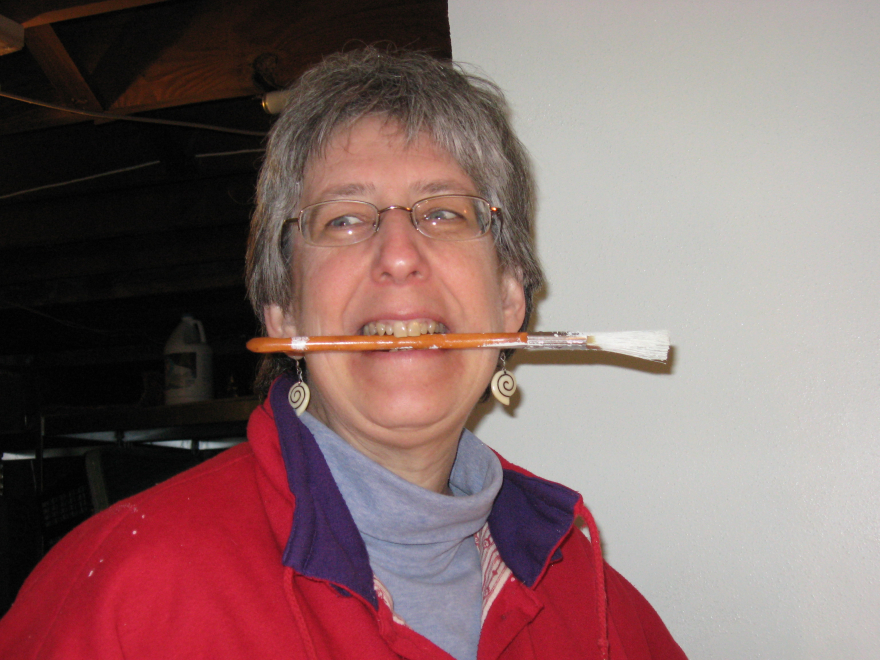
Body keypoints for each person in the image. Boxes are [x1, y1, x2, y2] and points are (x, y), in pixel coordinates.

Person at [0, 49, 687, 659]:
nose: (397, 255)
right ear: (284, 311)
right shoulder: (126, 594)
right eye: (345, 219)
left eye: (444, 212)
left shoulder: (594, 601)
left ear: (510, 303)